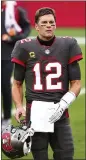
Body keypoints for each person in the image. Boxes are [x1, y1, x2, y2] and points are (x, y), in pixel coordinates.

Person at [11, 7, 83, 160]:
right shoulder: (23, 46)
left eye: (51, 22)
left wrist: (64, 104)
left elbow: (76, 83)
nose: (48, 25)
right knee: (40, 156)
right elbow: (17, 83)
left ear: (56, 25)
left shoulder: (68, 44)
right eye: (44, 23)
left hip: (60, 111)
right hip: (35, 114)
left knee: (66, 155)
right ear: (36, 26)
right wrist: (18, 106)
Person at [1, 0, 31, 131]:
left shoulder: (16, 10)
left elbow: (26, 28)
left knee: (4, 85)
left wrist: (13, 38)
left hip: (6, 54)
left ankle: (6, 118)